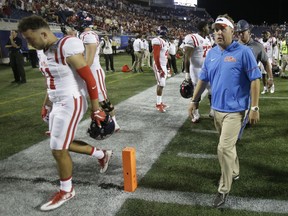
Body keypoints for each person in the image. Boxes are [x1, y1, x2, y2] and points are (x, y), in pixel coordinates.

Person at [18, 15, 112, 211]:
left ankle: (67, 190)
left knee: (58, 149)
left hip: (71, 101)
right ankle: (102, 154)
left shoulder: (66, 46)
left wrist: (96, 108)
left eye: (29, 38)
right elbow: (50, 81)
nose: (28, 43)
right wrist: (46, 104)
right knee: (63, 143)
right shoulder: (45, 51)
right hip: (57, 102)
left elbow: (89, 78)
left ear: (43, 33)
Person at [188, 14, 261, 208]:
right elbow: (203, 79)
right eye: (215, 29)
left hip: (236, 111)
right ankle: (235, 171)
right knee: (228, 146)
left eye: (222, 29)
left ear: (232, 31)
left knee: (223, 148)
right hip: (217, 110)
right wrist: (194, 101)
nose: (218, 32)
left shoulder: (243, 52)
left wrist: (254, 107)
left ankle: (223, 189)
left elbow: (255, 79)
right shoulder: (211, 53)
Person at [79, 24, 120, 132]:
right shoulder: (84, 35)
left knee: (103, 100)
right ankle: (100, 121)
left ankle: (114, 124)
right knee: (89, 101)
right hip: (87, 70)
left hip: (93, 71)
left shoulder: (88, 35)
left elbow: (89, 61)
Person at [183, 21, 213, 122]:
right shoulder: (192, 38)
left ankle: (212, 110)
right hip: (196, 69)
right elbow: (186, 57)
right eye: (208, 27)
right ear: (204, 28)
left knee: (212, 90)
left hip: (208, 68)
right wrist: (187, 74)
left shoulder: (208, 39)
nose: (209, 29)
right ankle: (196, 113)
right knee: (197, 92)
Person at [236, 19, 274, 94]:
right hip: (236, 81)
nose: (240, 34)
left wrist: (270, 77)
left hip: (251, 81)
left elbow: (266, 62)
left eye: (243, 32)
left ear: (249, 32)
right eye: (239, 32)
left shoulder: (258, 46)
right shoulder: (234, 46)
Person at [152, 26, 169, 113]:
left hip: (163, 65)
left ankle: (160, 102)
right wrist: (159, 68)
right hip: (159, 65)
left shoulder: (164, 41)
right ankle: (158, 104)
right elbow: (156, 56)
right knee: (161, 84)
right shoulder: (157, 41)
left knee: (162, 84)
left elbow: (165, 56)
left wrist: (167, 67)